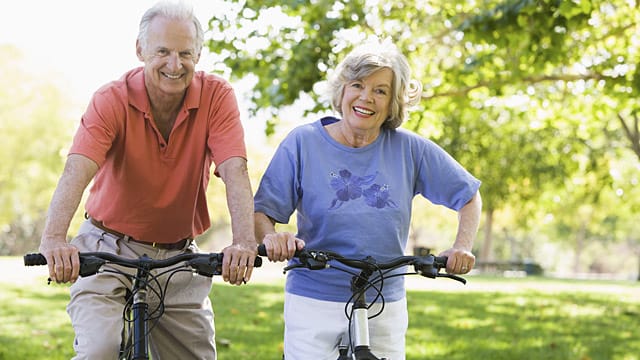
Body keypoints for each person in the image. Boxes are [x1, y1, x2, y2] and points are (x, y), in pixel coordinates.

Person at [37, 2, 257, 359]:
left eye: (186, 53)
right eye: (163, 52)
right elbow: (77, 170)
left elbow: (236, 171)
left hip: (178, 256)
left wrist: (244, 242)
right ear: (140, 50)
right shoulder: (111, 99)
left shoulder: (218, 97)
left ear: (198, 54)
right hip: (107, 249)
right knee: (100, 350)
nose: (175, 64)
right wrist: (53, 238)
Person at [255, 37, 482, 360]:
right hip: (313, 298)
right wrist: (272, 238)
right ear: (342, 91)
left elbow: (469, 196)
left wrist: (462, 246)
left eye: (380, 90)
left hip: (383, 300)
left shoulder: (410, 149)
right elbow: (262, 211)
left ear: (393, 103)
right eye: (357, 85)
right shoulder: (303, 143)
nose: (366, 97)